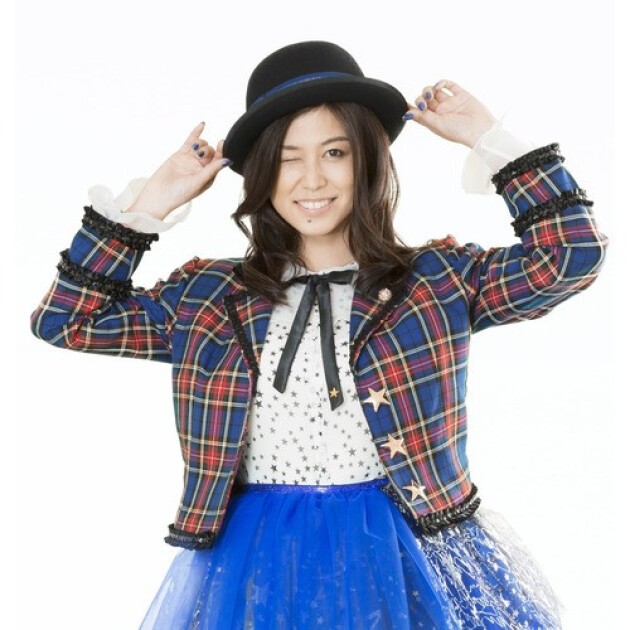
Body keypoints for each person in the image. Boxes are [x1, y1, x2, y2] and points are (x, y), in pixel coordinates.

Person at [31, 41, 608, 629]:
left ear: (368, 160)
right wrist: (149, 206)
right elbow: (67, 320)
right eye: (287, 158)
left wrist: (489, 140)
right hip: (260, 562)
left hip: (408, 553)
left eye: (335, 152)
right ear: (261, 173)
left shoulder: (434, 283)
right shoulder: (208, 299)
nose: (312, 179)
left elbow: (571, 255)